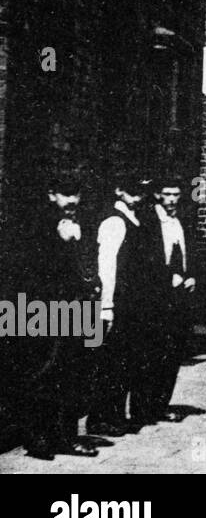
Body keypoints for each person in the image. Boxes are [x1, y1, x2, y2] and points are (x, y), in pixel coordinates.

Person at [12, 178, 101, 459]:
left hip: (76, 309)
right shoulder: (37, 225)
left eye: (75, 194)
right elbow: (28, 269)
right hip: (45, 311)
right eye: (65, 194)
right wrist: (58, 244)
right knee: (44, 373)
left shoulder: (80, 222)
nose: (72, 200)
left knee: (73, 373)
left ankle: (66, 436)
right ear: (51, 195)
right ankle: (37, 439)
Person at [88, 177, 161, 436]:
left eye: (141, 192)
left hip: (133, 306)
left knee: (126, 363)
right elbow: (106, 266)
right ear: (119, 191)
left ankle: (116, 414)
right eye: (132, 192)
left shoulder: (135, 219)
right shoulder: (114, 221)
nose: (138, 197)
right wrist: (106, 306)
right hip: (118, 305)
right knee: (112, 363)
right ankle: (101, 418)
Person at [134, 177, 196, 424]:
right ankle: (143, 409)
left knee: (172, 353)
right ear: (158, 195)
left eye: (176, 195)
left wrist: (192, 276)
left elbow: (191, 254)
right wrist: (166, 278)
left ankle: (160, 405)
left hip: (179, 297)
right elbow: (144, 261)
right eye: (167, 194)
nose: (172, 199)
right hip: (155, 298)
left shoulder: (182, 221)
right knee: (151, 354)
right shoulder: (147, 222)